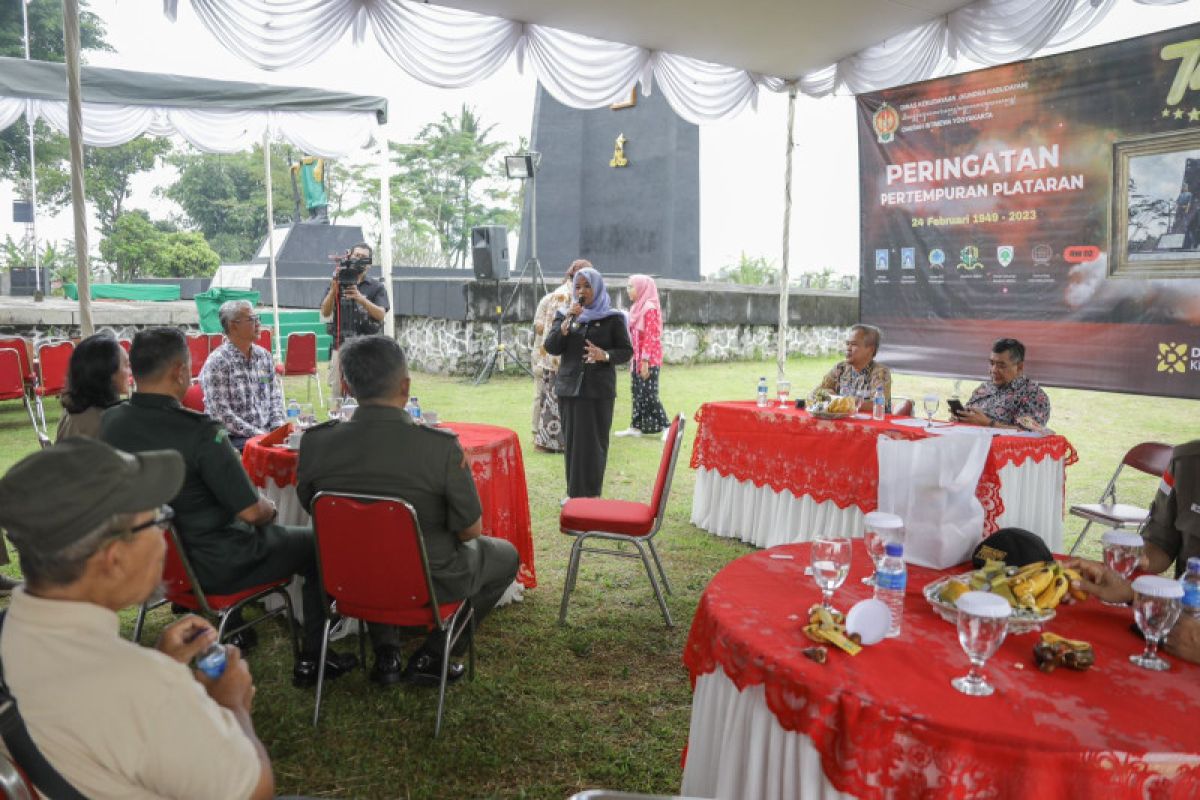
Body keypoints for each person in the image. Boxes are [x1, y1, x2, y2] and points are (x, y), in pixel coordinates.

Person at [0, 438, 275, 799]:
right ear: (114, 558)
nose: (164, 540)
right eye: (159, 521)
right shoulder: (142, 687)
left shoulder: (10, 630)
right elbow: (255, 790)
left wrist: (160, 662)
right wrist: (232, 703)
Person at [99, 326, 357, 686]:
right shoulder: (199, 431)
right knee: (316, 543)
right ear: (179, 371)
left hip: (153, 560)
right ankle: (315, 659)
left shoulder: (110, 422)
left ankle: (252, 630)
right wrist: (268, 507)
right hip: (218, 561)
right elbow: (253, 513)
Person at [296, 336, 519, 687]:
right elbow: (470, 531)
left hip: (348, 576)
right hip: (428, 580)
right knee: (505, 555)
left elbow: (312, 507)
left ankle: (388, 653)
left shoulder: (315, 442)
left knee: (371, 545)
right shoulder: (440, 449)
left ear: (346, 385)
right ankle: (436, 652)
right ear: (405, 386)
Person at [544, 266, 633, 498]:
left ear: (598, 288)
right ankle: (574, 495)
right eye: (578, 286)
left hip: (597, 392)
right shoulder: (565, 315)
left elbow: (626, 351)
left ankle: (591, 496)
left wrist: (604, 355)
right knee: (573, 446)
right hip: (569, 390)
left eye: (587, 286)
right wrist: (565, 325)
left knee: (594, 445)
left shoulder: (613, 317)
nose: (582, 291)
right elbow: (551, 346)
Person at [199, 300, 285, 451]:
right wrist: (261, 436)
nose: (258, 323)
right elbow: (221, 415)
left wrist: (277, 429)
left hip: (265, 433)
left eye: (257, 318)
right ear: (233, 326)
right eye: (252, 319)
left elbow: (274, 395)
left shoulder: (263, 356)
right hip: (232, 437)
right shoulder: (218, 362)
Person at [320, 242, 390, 399]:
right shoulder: (337, 281)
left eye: (364, 258)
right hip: (340, 346)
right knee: (338, 395)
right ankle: (338, 422)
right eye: (356, 256)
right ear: (349, 257)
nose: (359, 260)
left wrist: (360, 298)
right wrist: (333, 291)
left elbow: (380, 314)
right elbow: (325, 312)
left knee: (367, 393)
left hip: (367, 348)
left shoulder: (376, 287)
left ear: (369, 264)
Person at [531, 259, 588, 452]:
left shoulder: (560, 293)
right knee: (555, 402)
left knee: (550, 401)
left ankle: (549, 442)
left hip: (552, 354)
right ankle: (552, 443)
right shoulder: (567, 296)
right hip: (558, 357)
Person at [615, 274, 670, 439]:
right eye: (628, 286)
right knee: (637, 392)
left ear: (641, 288)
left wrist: (645, 361)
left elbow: (651, 337)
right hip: (637, 359)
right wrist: (635, 360)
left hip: (649, 360)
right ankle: (636, 426)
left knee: (649, 394)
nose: (628, 290)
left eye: (631, 286)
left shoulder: (649, 308)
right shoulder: (635, 308)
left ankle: (667, 426)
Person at [954, 338, 1050, 429]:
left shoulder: (1032, 395)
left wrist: (988, 424)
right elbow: (970, 415)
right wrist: (962, 418)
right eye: (992, 363)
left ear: (1019, 367)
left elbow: (1031, 434)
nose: (994, 370)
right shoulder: (984, 388)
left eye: (1001, 366)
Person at [55, 332, 132, 442]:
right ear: (108, 372)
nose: (130, 372)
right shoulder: (104, 422)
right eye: (126, 365)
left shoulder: (73, 410)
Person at [812, 324, 892, 410]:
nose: (848, 348)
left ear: (870, 349)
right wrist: (826, 394)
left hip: (870, 422)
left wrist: (839, 401)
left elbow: (877, 404)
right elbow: (815, 393)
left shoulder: (880, 372)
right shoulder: (840, 368)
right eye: (847, 344)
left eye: (854, 344)